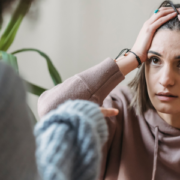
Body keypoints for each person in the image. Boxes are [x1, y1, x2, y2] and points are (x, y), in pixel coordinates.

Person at [37, 1, 180, 180]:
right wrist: (133, 56)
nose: (166, 80)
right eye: (155, 60)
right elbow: (51, 112)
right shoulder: (117, 109)